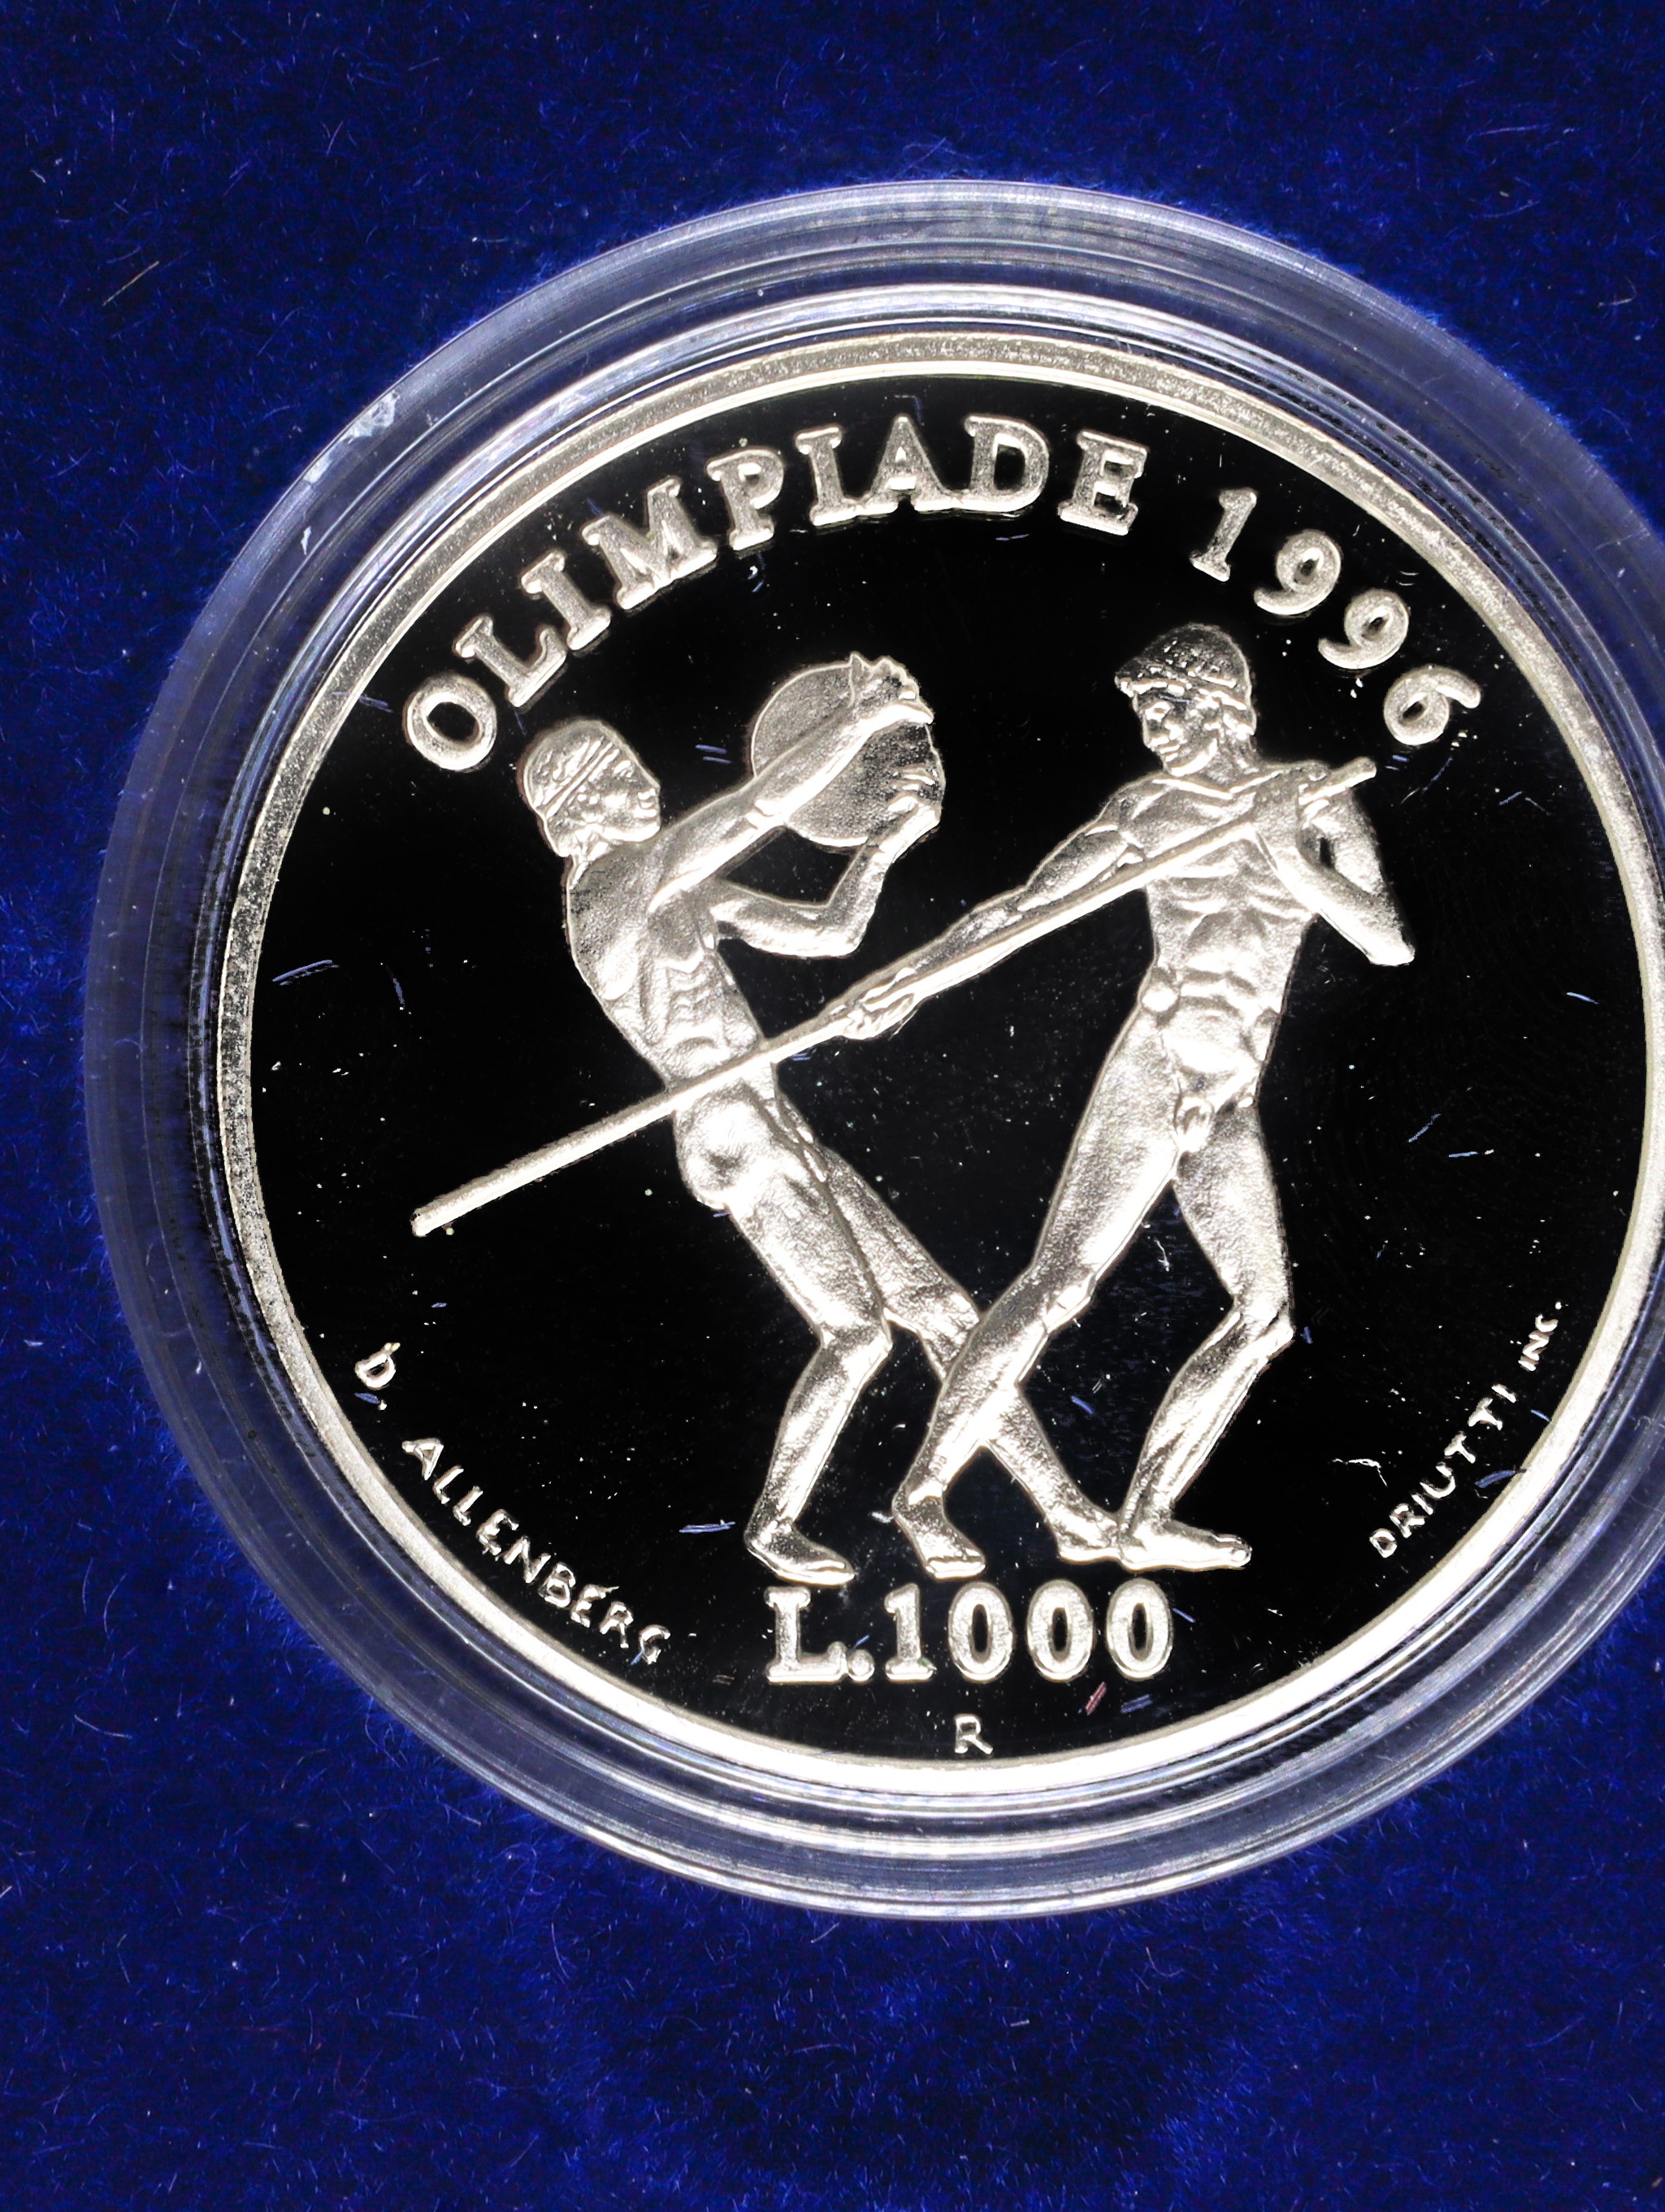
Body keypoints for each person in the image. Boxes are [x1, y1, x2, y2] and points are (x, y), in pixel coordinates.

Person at [518, 655, 1121, 1588]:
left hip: (780, 1122)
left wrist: (884, 843)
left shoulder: (683, 893)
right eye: (623, 778)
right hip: (731, 1134)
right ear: (579, 809)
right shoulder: (608, 892)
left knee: (942, 1310)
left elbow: (829, 933)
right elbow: (756, 808)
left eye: (637, 770)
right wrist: (856, 720)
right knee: (858, 1333)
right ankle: (773, 1523)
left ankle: (1064, 1507)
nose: (647, 785)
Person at [832, 625, 1414, 1577]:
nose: (1153, 731)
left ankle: (1144, 1515)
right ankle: (923, 1489)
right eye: (1143, 714)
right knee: (1060, 1281)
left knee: (1264, 1313)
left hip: (1230, 1085)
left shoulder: (1314, 795)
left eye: (1165, 709)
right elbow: (1023, 907)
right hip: (1157, 1059)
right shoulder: (1147, 809)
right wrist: (907, 981)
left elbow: (1386, 938)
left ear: (1219, 703)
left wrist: (1291, 853)